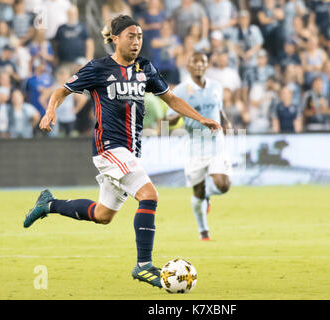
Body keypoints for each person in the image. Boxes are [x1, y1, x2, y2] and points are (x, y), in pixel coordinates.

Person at [23, 15, 222, 289]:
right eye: (131, 36)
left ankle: (48, 204)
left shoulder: (145, 68)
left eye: (139, 36)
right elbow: (61, 90)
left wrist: (201, 119)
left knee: (103, 214)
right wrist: (49, 112)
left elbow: (172, 98)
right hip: (109, 149)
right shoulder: (98, 68)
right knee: (149, 195)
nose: (136, 41)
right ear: (115, 39)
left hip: (130, 151)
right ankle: (144, 265)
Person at [166, 51, 232, 241]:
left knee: (223, 184)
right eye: (194, 62)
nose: (199, 65)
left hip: (215, 142)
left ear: (207, 65)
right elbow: (169, 120)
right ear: (188, 66)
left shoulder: (216, 87)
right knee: (198, 191)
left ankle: (208, 196)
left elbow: (219, 108)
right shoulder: (180, 90)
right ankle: (203, 231)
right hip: (194, 145)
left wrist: (226, 123)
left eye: (202, 62)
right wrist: (176, 116)